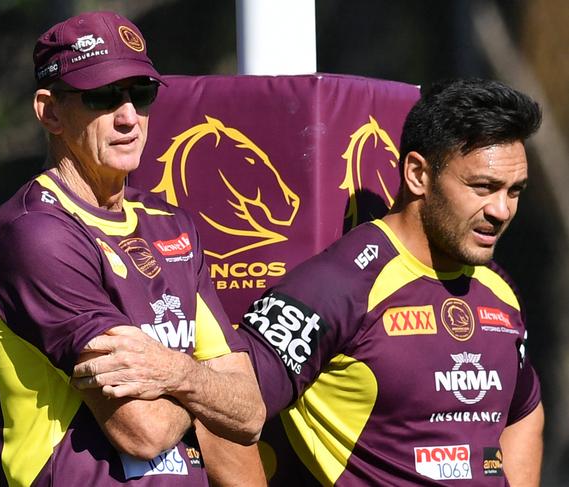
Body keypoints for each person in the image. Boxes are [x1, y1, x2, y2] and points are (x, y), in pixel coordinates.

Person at [0, 11, 265, 486]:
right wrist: (207, 385)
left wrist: (170, 371)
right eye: (103, 97)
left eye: (141, 95)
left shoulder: (172, 224)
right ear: (49, 112)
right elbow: (143, 431)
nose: (129, 117)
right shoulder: (35, 233)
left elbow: (249, 410)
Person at [231, 78, 544, 485]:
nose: (501, 210)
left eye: (514, 191)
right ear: (417, 174)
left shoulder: (498, 289)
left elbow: (524, 411)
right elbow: (226, 409)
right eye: (483, 187)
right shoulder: (337, 285)